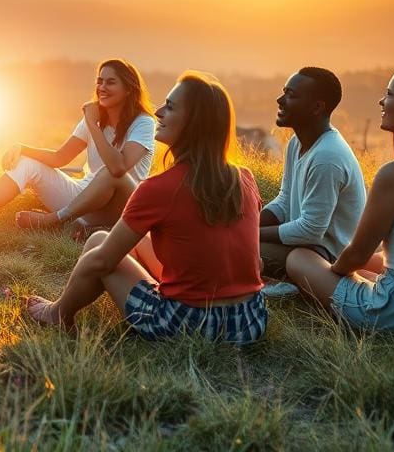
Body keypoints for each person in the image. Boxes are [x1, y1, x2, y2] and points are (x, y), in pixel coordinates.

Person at [25, 71, 267, 344]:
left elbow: (103, 260)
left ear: (193, 123)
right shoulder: (244, 178)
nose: (158, 112)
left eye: (171, 107)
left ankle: (57, 314)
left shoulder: (158, 188)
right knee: (128, 243)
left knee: (98, 243)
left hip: (188, 326)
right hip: (249, 321)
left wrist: (60, 299)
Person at [286, 66, 394, 336]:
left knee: (300, 258)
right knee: (371, 264)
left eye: (389, 94)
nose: (381, 101)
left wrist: (334, 274)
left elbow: (356, 254)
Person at [0, 59, 156, 234]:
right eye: (99, 81)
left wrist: (93, 126)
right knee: (27, 164)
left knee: (107, 173)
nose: (102, 87)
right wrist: (23, 148)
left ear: (128, 89)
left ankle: (55, 220)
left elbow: (118, 168)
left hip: (120, 207)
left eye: (110, 82)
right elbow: (59, 158)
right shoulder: (95, 118)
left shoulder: (143, 123)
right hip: (82, 200)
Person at [260, 67, 366, 289]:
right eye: (284, 92)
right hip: (304, 247)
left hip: (323, 257)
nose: (280, 100)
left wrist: (251, 234)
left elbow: (310, 229)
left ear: (317, 107)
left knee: (234, 249)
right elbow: (285, 199)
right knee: (233, 241)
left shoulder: (327, 157)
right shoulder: (296, 143)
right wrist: (248, 223)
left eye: (291, 95)